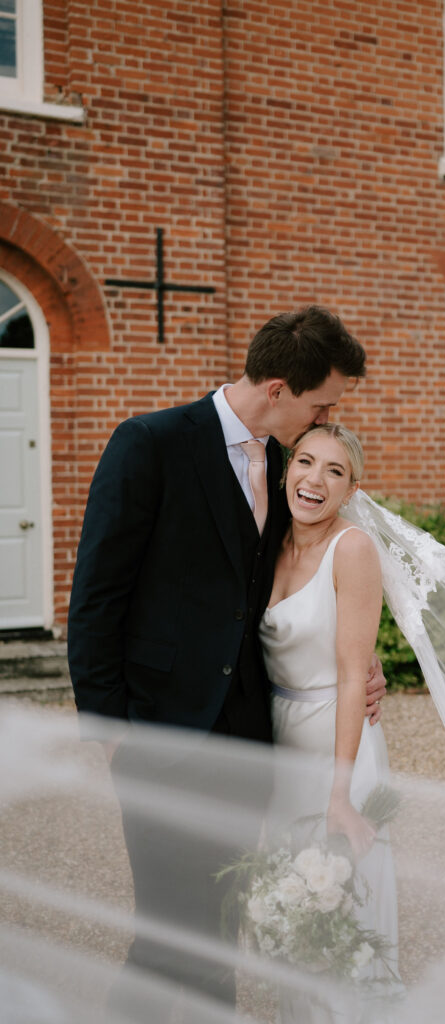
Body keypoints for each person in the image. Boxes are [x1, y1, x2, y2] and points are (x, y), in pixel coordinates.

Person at [66, 306, 387, 1013]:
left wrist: (356, 661)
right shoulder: (149, 442)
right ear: (278, 389)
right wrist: (110, 729)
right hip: (159, 730)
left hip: (248, 736)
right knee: (166, 926)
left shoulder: (283, 463)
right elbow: (95, 595)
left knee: (220, 920)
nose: (323, 416)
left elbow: (277, 589)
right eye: (320, 401)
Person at [258, 423, 399, 1022]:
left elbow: (350, 676)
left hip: (338, 742)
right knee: (288, 915)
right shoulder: (264, 542)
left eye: (334, 471)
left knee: (342, 919)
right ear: (287, 468)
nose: (314, 480)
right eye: (306, 462)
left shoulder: (354, 550)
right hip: (278, 743)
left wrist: (340, 794)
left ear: (350, 490)